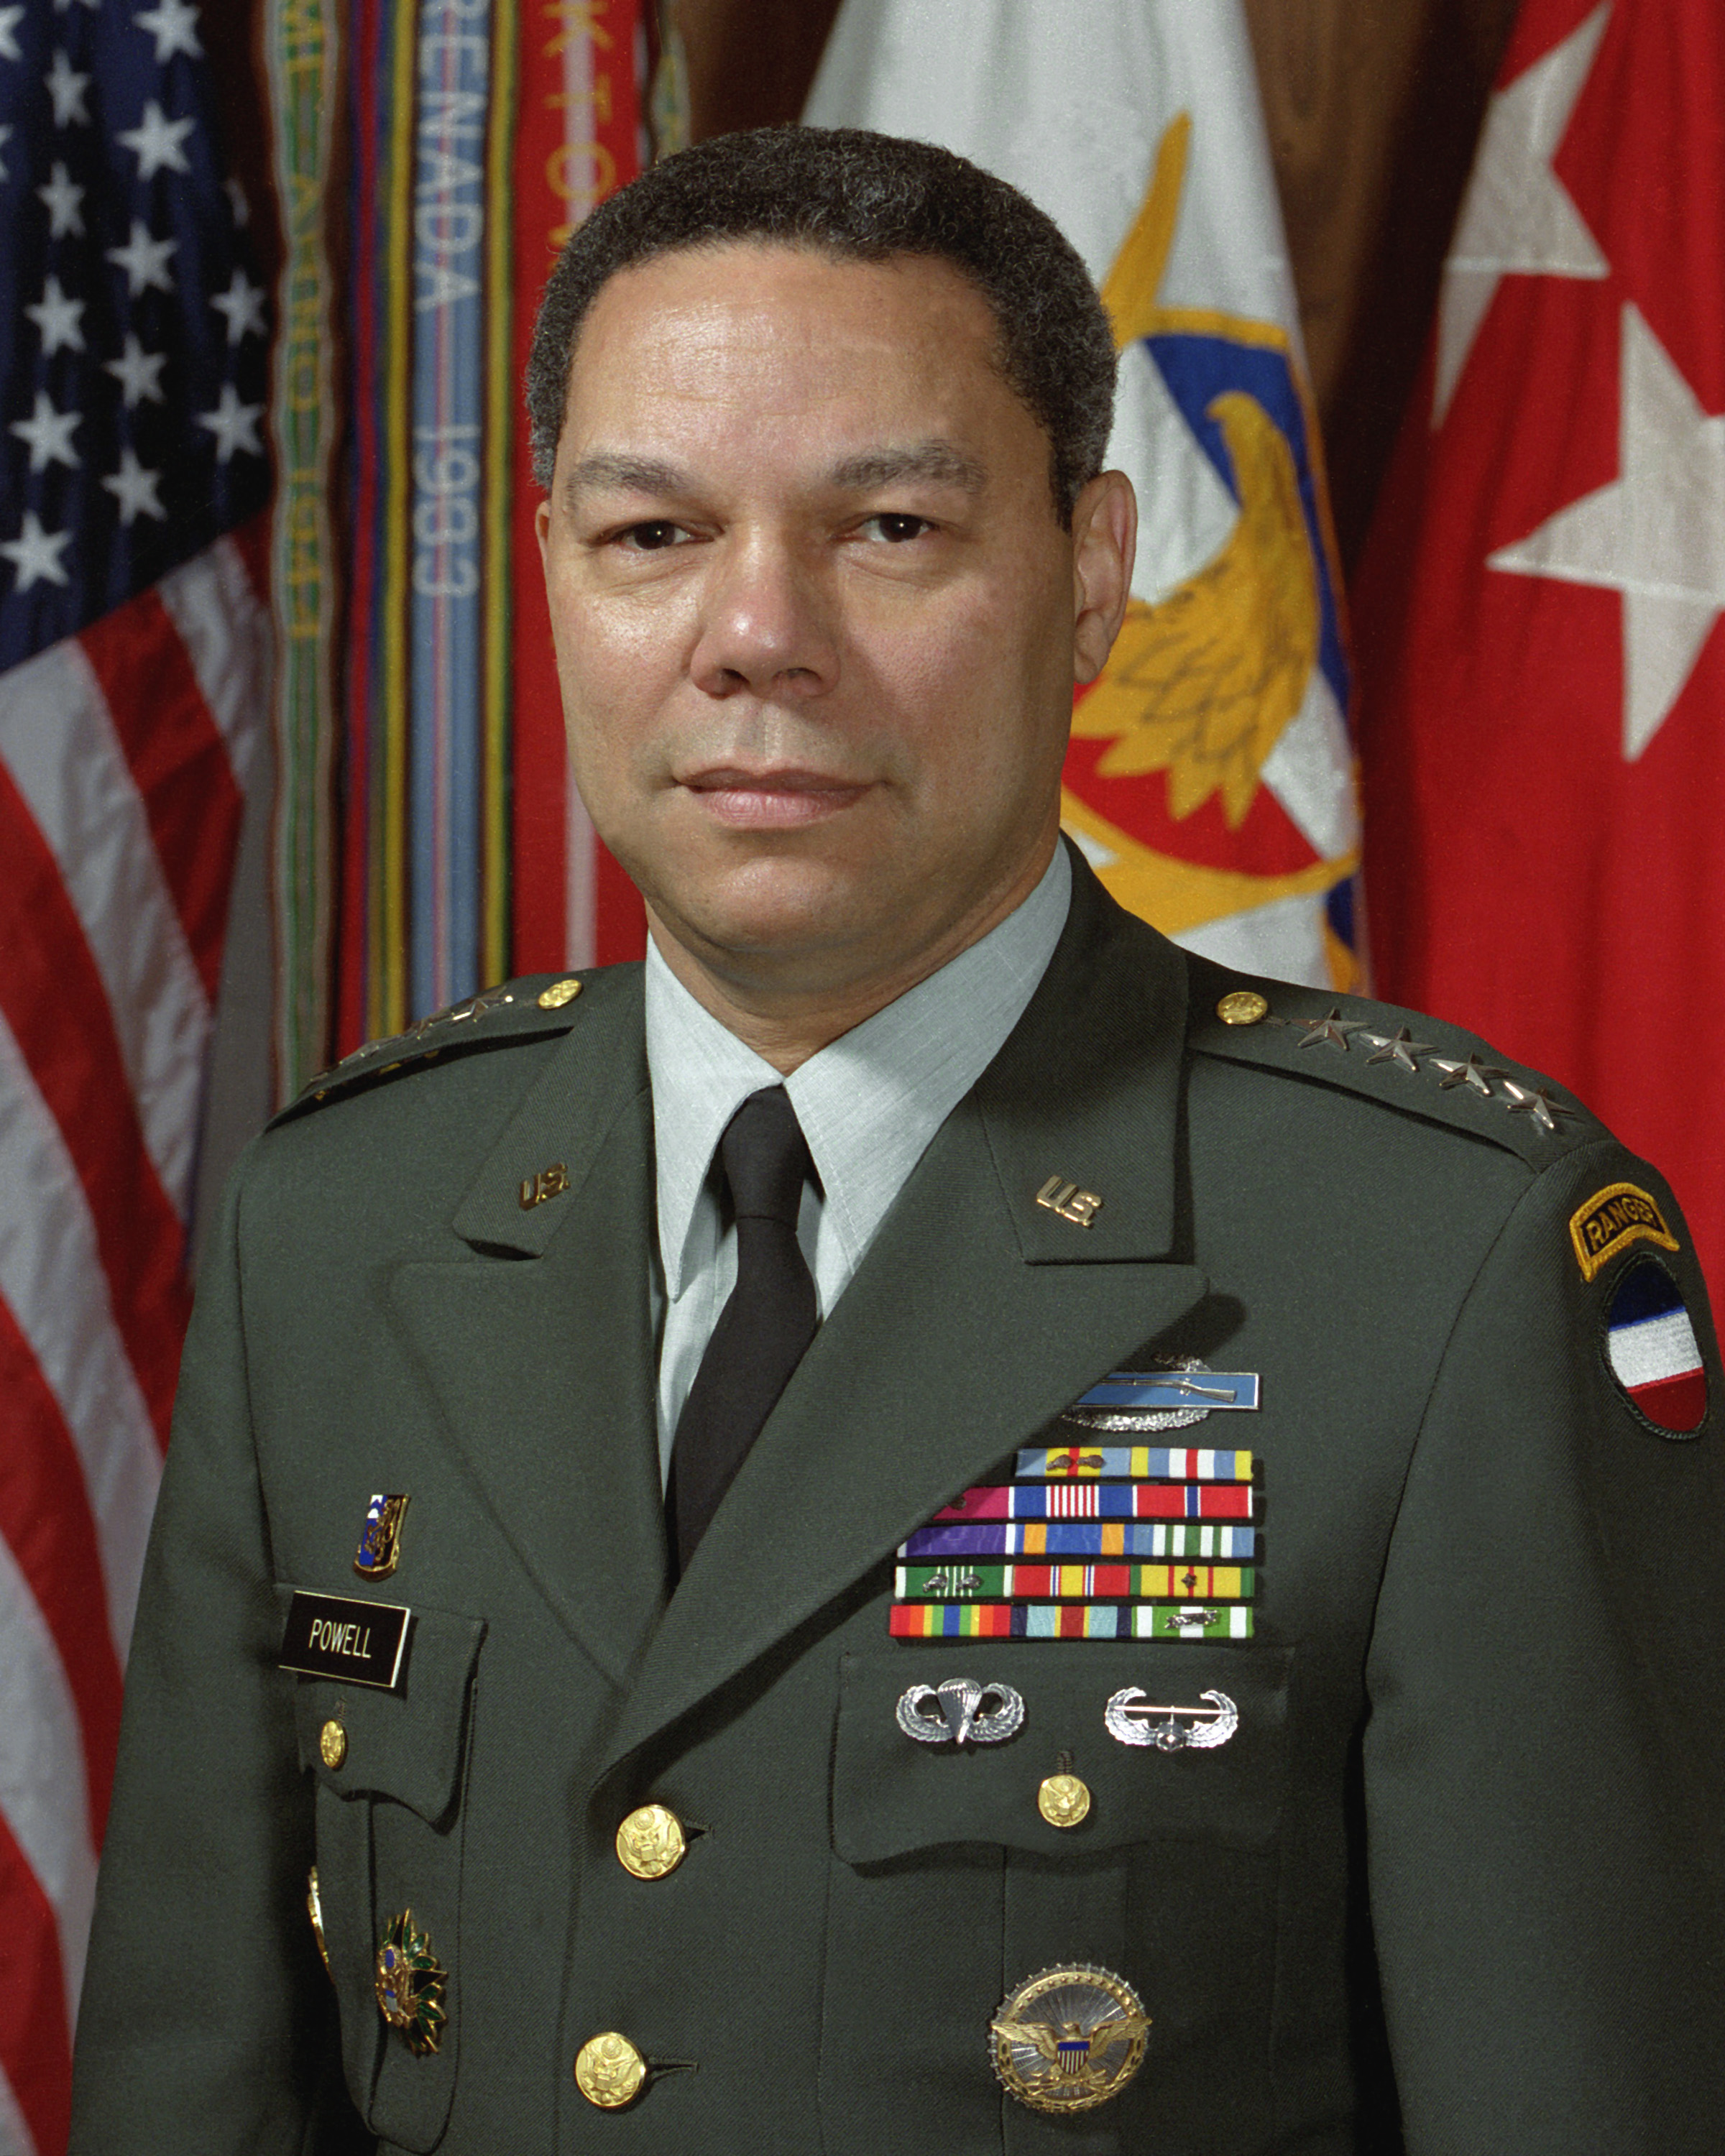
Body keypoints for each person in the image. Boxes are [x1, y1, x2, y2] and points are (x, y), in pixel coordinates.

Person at [70, 126, 1724, 2155]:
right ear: (554, 573)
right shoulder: (339, 1221)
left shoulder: (1440, 1259)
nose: (755, 632)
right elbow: (193, 2090)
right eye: (653, 533)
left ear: (1093, 575)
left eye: (890, 528)